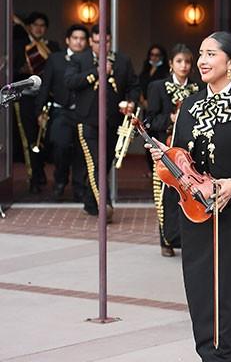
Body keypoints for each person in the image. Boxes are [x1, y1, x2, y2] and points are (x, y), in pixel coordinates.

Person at [146, 31, 231, 361]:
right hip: (195, 213)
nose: (202, 61)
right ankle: (214, 356)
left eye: (210, 55)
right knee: (201, 293)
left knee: (229, 294)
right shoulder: (189, 104)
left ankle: (220, 356)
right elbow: (181, 160)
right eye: (200, 54)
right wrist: (165, 159)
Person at [65, 25, 140, 222]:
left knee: (104, 164)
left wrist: (131, 102)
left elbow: (133, 86)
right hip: (87, 121)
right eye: (98, 42)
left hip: (113, 122)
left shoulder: (123, 61)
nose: (102, 45)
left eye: (106, 42)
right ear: (91, 41)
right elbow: (70, 82)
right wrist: (96, 72)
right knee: (96, 162)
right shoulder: (78, 59)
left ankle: (91, 203)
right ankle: (104, 206)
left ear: (110, 41)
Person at [145, 44, 200, 257]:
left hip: (187, 152)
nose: (184, 66)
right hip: (164, 150)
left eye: (187, 62)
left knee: (187, 192)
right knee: (162, 195)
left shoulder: (197, 88)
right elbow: (150, 120)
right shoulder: (158, 86)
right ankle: (165, 240)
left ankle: (186, 239)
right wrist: (170, 119)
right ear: (171, 64)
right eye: (179, 61)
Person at [34, 24, 90, 202]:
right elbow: (46, 85)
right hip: (61, 111)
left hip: (84, 113)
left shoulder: (91, 60)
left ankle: (79, 186)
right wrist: (39, 110)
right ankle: (59, 181)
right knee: (60, 146)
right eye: (75, 38)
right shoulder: (55, 59)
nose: (78, 42)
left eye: (82, 39)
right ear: (68, 40)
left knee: (83, 151)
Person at [12, 12, 60, 193]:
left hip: (47, 96)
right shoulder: (19, 46)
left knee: (46, 136)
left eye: (42, 25)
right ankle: (34, 176)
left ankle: (47, 173)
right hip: (25, 97)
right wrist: (22, 70)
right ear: (29, 27)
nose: (38, 28)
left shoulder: (52, 47)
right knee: (29, 137)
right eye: (35, 25)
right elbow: (12, 73)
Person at [139, 44, 170, 177]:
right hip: (147, 108)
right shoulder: (146, 69)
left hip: (160, 109)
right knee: (148, 138)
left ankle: (159, 170)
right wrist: (142, 101)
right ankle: (151, 170)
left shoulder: (164, 72)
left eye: (157, 55)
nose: (155, 57)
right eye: (152, 55)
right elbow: (140, 85)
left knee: (159, 139)